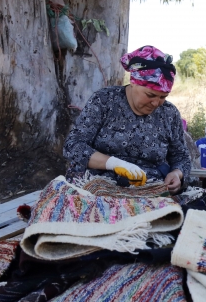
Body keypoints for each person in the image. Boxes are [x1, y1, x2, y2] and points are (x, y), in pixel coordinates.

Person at [63, 45, 190, 194]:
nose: (156, 103)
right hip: (97, 186)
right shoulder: (104, 101)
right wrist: (113, 163)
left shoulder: (169, 113)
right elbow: (73, 146)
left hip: (149, 189)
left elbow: (181, 157)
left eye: (163, 97)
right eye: (150, 95)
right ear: (134, 83)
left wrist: (176, 174)